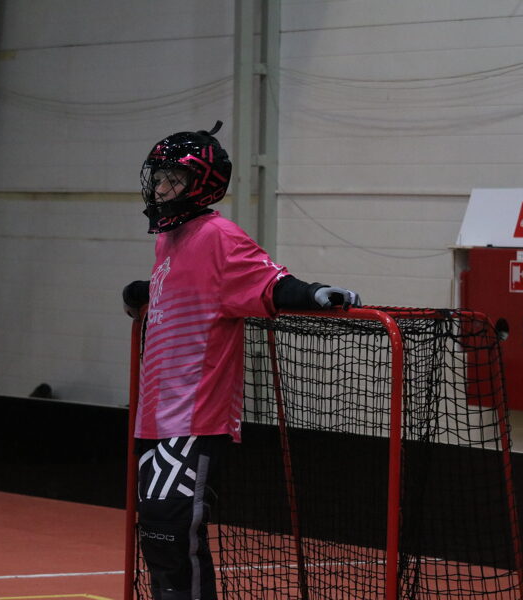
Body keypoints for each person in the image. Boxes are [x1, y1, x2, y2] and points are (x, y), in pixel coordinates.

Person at [123, 121, 361, 600]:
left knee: (172, 532)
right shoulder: (168, 239)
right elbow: (191, 286)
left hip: (193, 416)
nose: (161, 188)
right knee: (159, 536)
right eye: (160, 177)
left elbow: (268, 281)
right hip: (156, 415)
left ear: (201, 184)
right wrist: (143, 291)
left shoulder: (219, 236)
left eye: (174, 179)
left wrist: (313, 293)